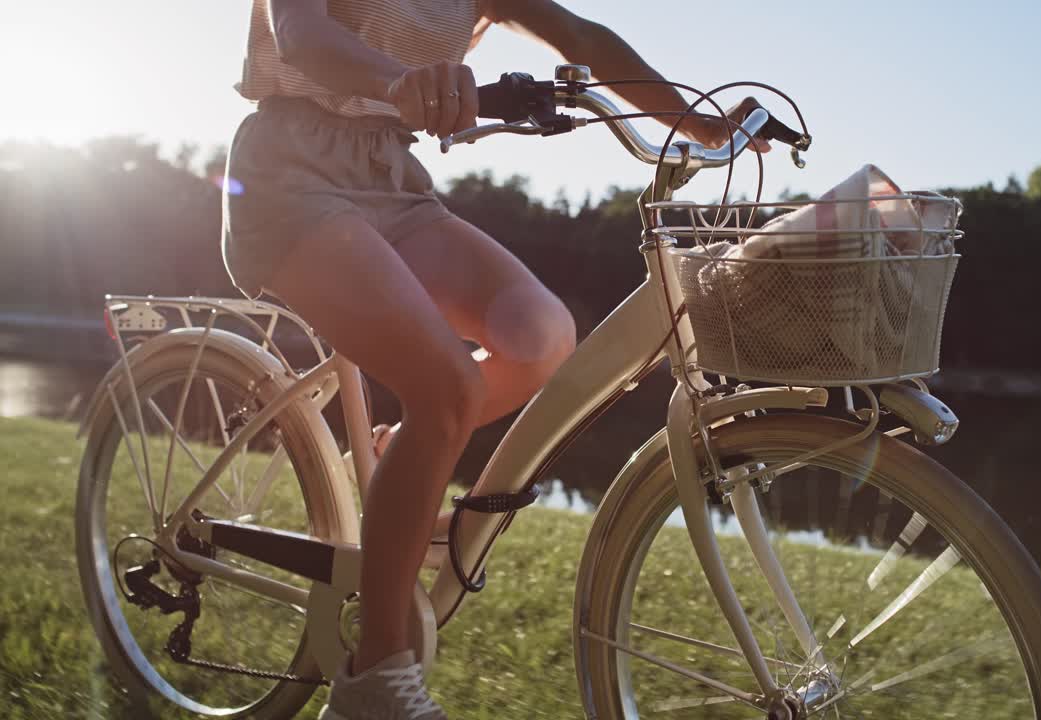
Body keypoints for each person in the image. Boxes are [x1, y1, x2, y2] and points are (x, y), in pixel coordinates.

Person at [223, 1, 759, 717]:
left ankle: (401, 466)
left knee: (541, 336)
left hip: (392, 178)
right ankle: (373, 681)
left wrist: (698, 123)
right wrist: (400, 81)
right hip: (288, 178)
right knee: (444, 388)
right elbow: (301, 34)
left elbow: (581, 36)